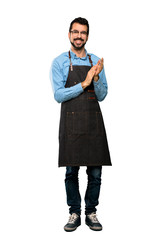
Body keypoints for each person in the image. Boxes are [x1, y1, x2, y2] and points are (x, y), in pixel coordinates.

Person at [50, 17, 112, 232]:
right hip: (71, 124)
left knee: (95, 172)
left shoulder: (96, 61)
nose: (79, 36)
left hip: (93, 123)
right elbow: (58, 95)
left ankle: (91, 212)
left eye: (83, 32)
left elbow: (102, 95)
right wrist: (84, 83)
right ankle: (74, 212)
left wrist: (95, 79)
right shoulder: (59, 62)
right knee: (71, 172)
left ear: (87, 35)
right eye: (75, 32)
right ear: (69, 34)